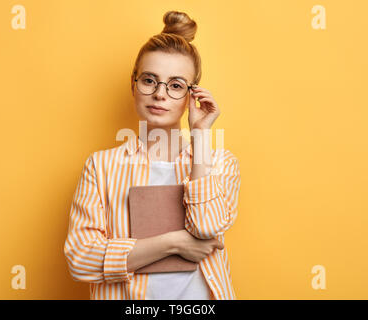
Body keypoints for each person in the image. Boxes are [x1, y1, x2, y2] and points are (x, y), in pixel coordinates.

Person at [63, 10, 241, 300]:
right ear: (133, 84)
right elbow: (80, 259)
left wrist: (200, 138)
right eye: (149, 80)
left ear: (191, 96)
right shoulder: (102, 167)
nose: (160, 94)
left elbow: (206, 226)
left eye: (175, 86)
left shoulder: (220, 163)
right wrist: (173, 243)